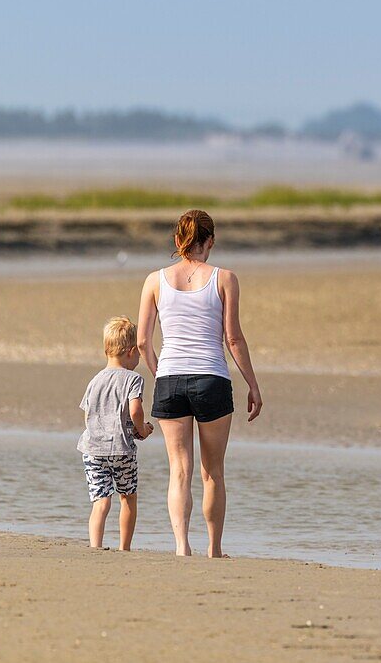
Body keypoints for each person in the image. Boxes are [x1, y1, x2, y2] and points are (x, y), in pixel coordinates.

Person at [137, 209, 263, 558]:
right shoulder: (225, 278)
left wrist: (160, 371)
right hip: (212, 379)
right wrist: (253, 384)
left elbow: (144, 341)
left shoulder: (154, 280)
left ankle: (181, 547)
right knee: (213, 473)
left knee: (179, 470)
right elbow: (233, 338)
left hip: (171, 379)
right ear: (210, 242)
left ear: (178, 241)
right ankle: (215, 548)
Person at [78, 316, 154, 550]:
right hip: (121, 449)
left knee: (100, 502)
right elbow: (135, 410)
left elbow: (87, 413)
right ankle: (124, 547)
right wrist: (142, 429)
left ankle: (95, 545)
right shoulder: (133, 379)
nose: (139, 359)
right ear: (131, 352)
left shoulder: (95, 380)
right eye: (138, 355)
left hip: (93, 449)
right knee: (128, 496)